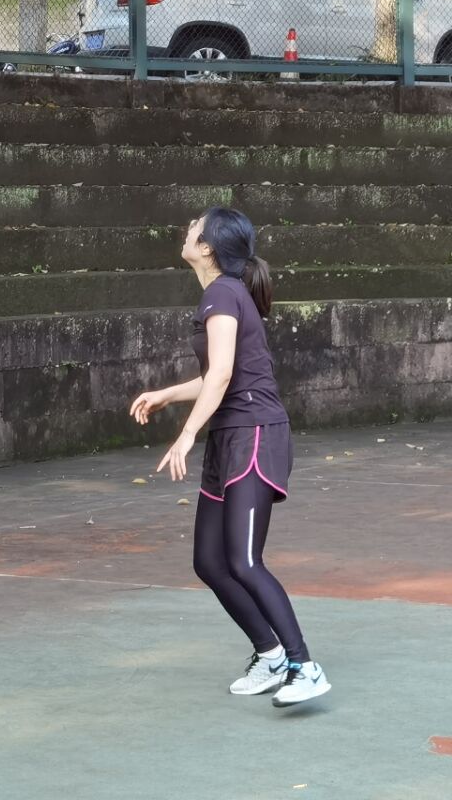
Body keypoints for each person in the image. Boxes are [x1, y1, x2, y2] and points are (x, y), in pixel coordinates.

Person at [129, 207, 330, 708]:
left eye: (195, 227)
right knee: (209, 561)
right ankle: (271, 654)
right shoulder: (222, 294)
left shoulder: (222, 293)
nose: (187, 230)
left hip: (255, 434)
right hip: (230, 435)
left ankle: (304, 666)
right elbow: (217, 375)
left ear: (208, 247)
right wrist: (167, 395)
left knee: (244, 561)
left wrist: (186, 435)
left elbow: (221, 377)